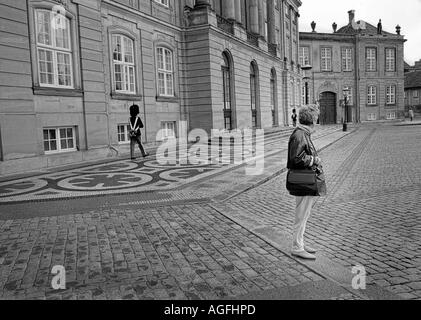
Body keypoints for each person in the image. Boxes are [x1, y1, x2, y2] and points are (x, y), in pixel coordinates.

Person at [287, 105, 325, 260]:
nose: (317, 121)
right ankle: (297, 247)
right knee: (301, 215)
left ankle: (300, 242)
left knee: (304, 215)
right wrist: (314, 160)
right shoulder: (300, 135)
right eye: (316, 118)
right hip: (304, 181)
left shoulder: (303, 133)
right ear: (312, 119)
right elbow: (295, 159)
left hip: (305, 181)